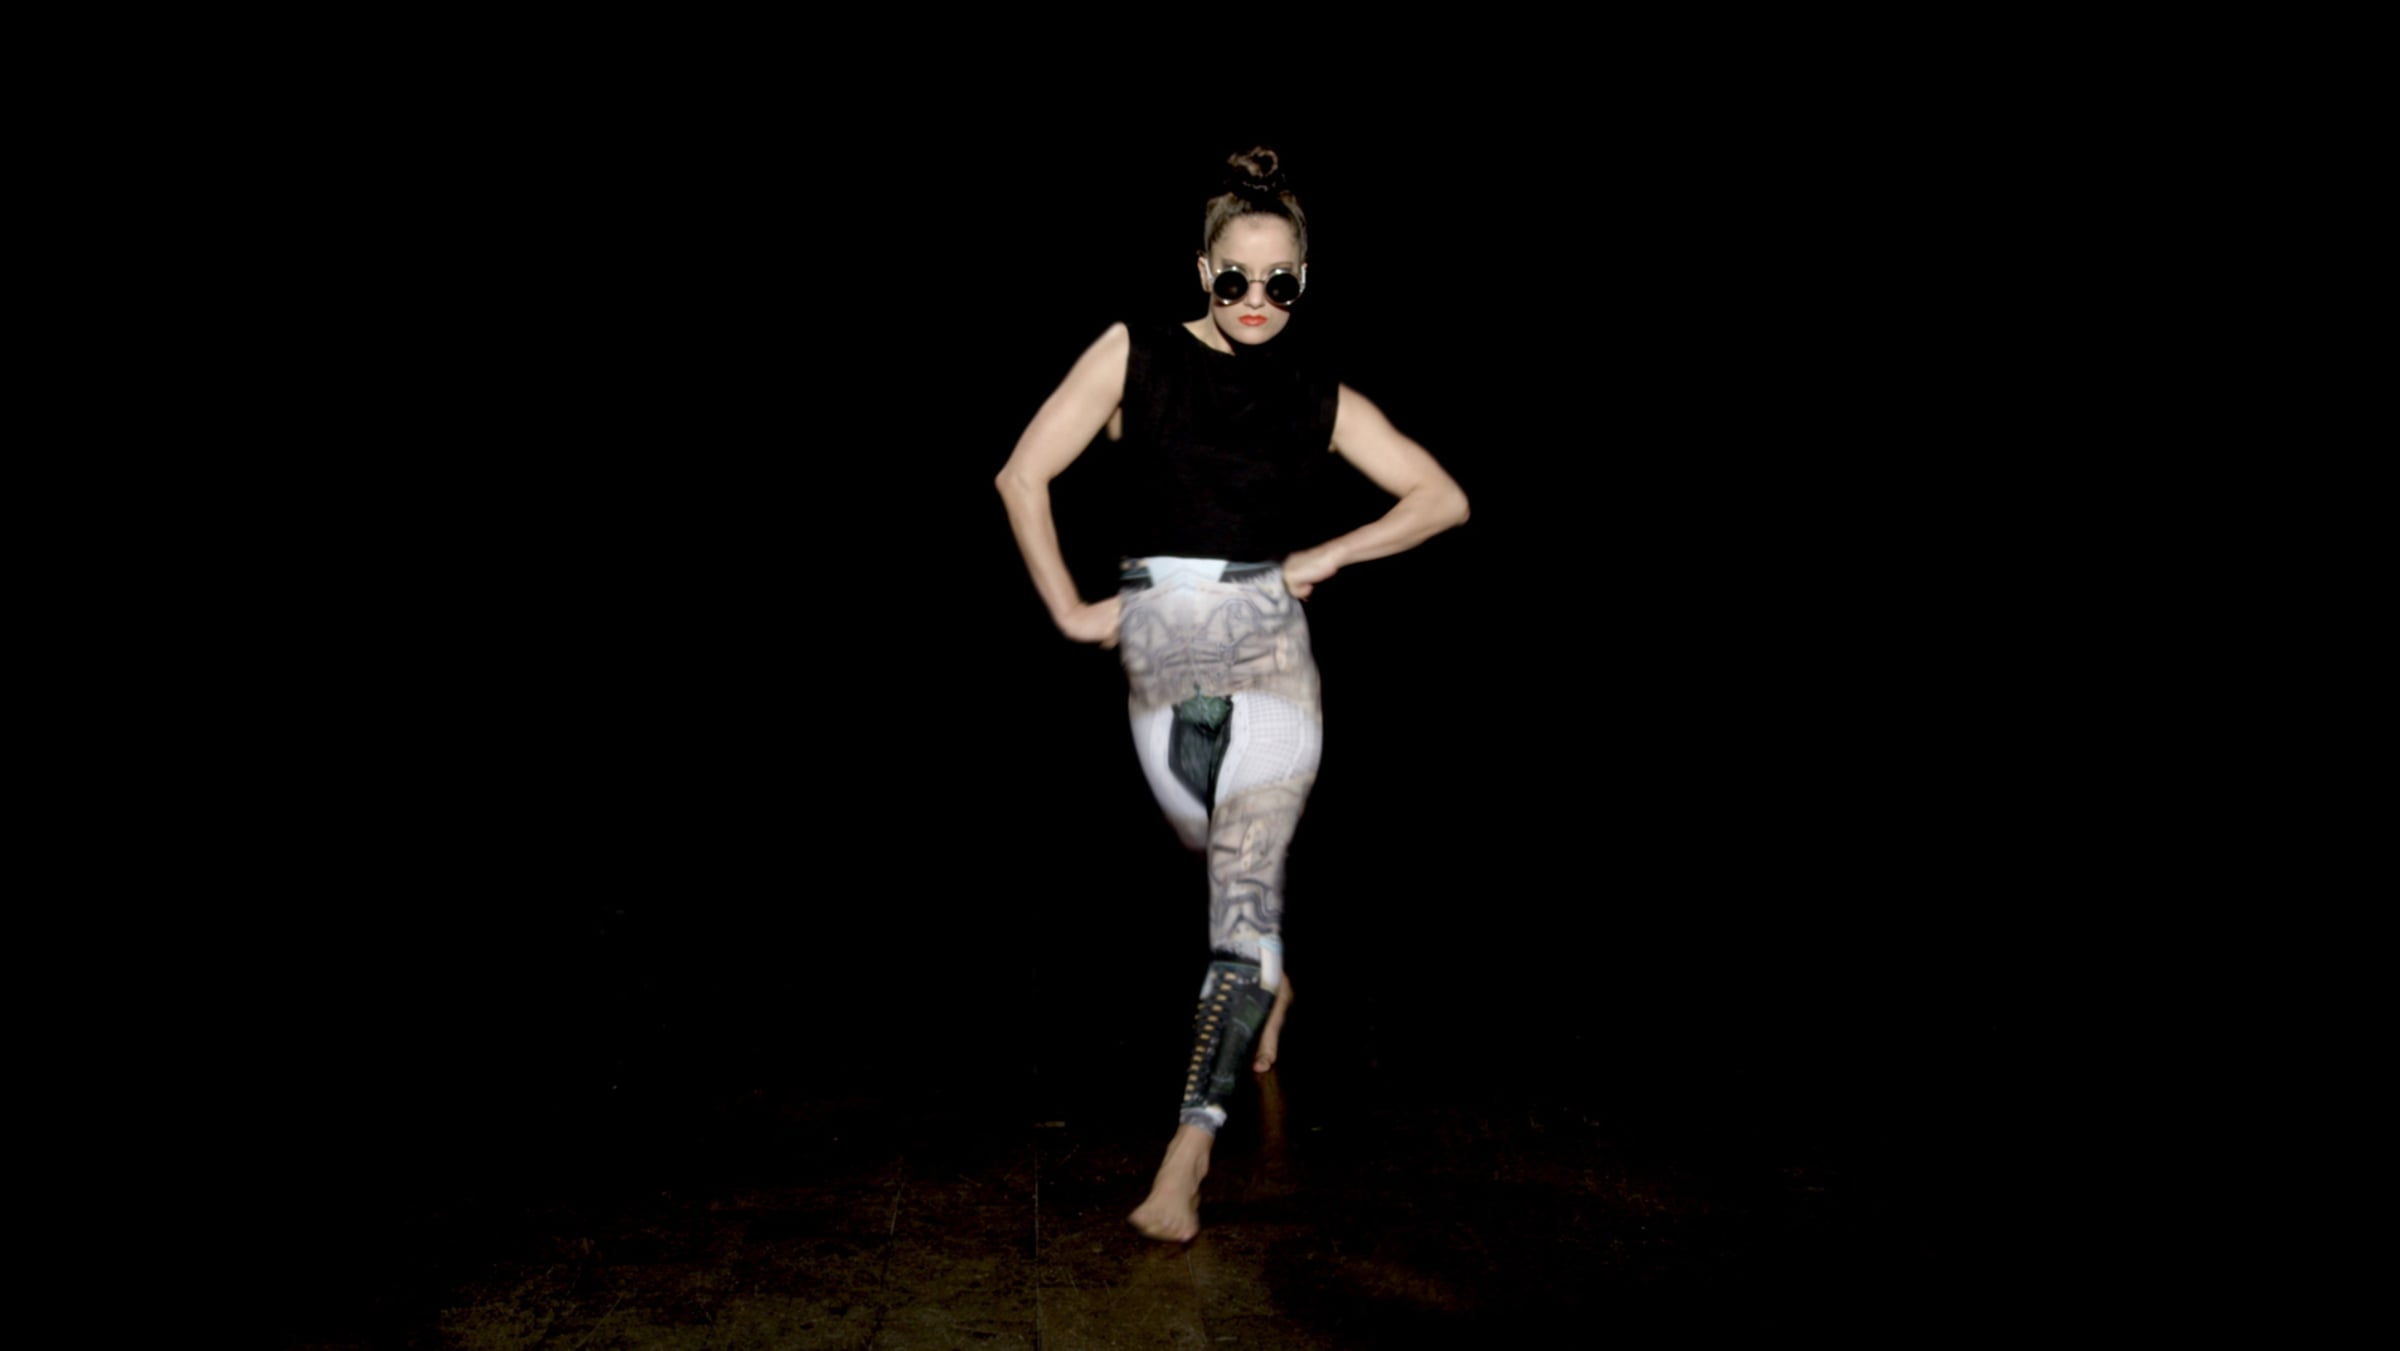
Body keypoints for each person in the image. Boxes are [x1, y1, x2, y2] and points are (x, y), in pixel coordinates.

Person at [994, 146, 1470, 1243]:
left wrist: (1329, 555)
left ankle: (1187, 1156)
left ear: (1306, 280)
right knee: (1214, 863)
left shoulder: (1317, 391)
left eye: (1281, 282)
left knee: (1240, 898)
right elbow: (1022, 474)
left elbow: (1439, 496)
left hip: (1272, 661)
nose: (1258, 300)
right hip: (1161, 666)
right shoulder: (1135, 353)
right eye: (1237, 278)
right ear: (1204, 271)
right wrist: (1067, 607)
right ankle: (1265, 977)